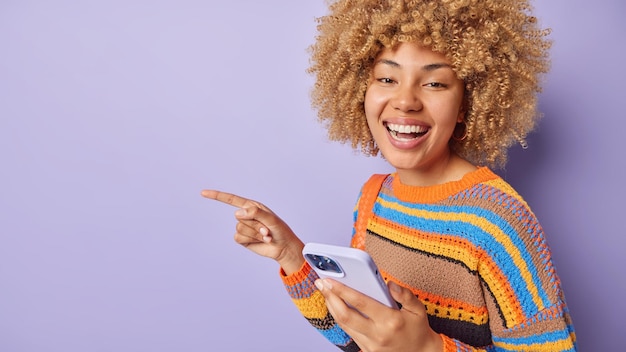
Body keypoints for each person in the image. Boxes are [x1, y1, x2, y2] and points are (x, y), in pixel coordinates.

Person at [202, 0, 577, 350]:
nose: (406, 101)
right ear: (359, 91)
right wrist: (290, 254)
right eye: (386, 79)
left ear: (467, 105)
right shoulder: (374, 198)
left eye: (434, 83)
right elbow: (358, 334)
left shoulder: (498, 219)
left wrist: (429, 347)